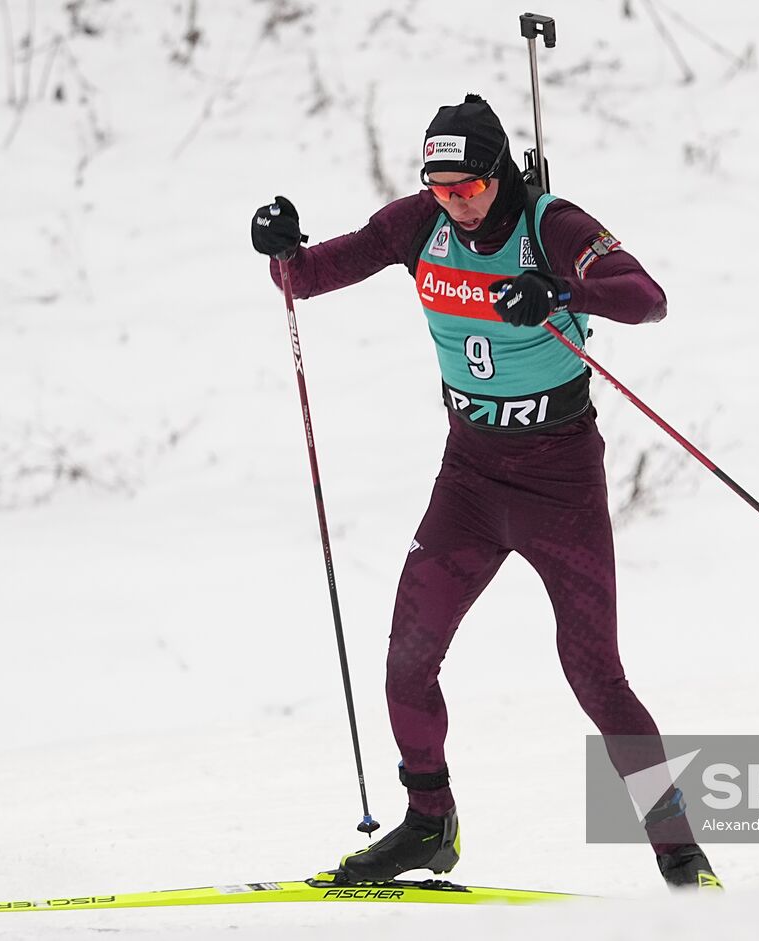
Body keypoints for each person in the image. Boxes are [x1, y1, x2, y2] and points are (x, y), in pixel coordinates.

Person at [251, 93, 720, 891]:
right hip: (468, 475)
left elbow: (647, 299)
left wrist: (560, 292)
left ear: (499, 171)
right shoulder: (415, 225)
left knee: (594, 671)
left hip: (559, 477)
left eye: (469, 183)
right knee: (407, 660)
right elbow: (311, 277)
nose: (457, 200)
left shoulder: (553, 226)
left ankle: (680, 851)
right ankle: (429, 827)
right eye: (442, 187)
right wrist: (283, 252)